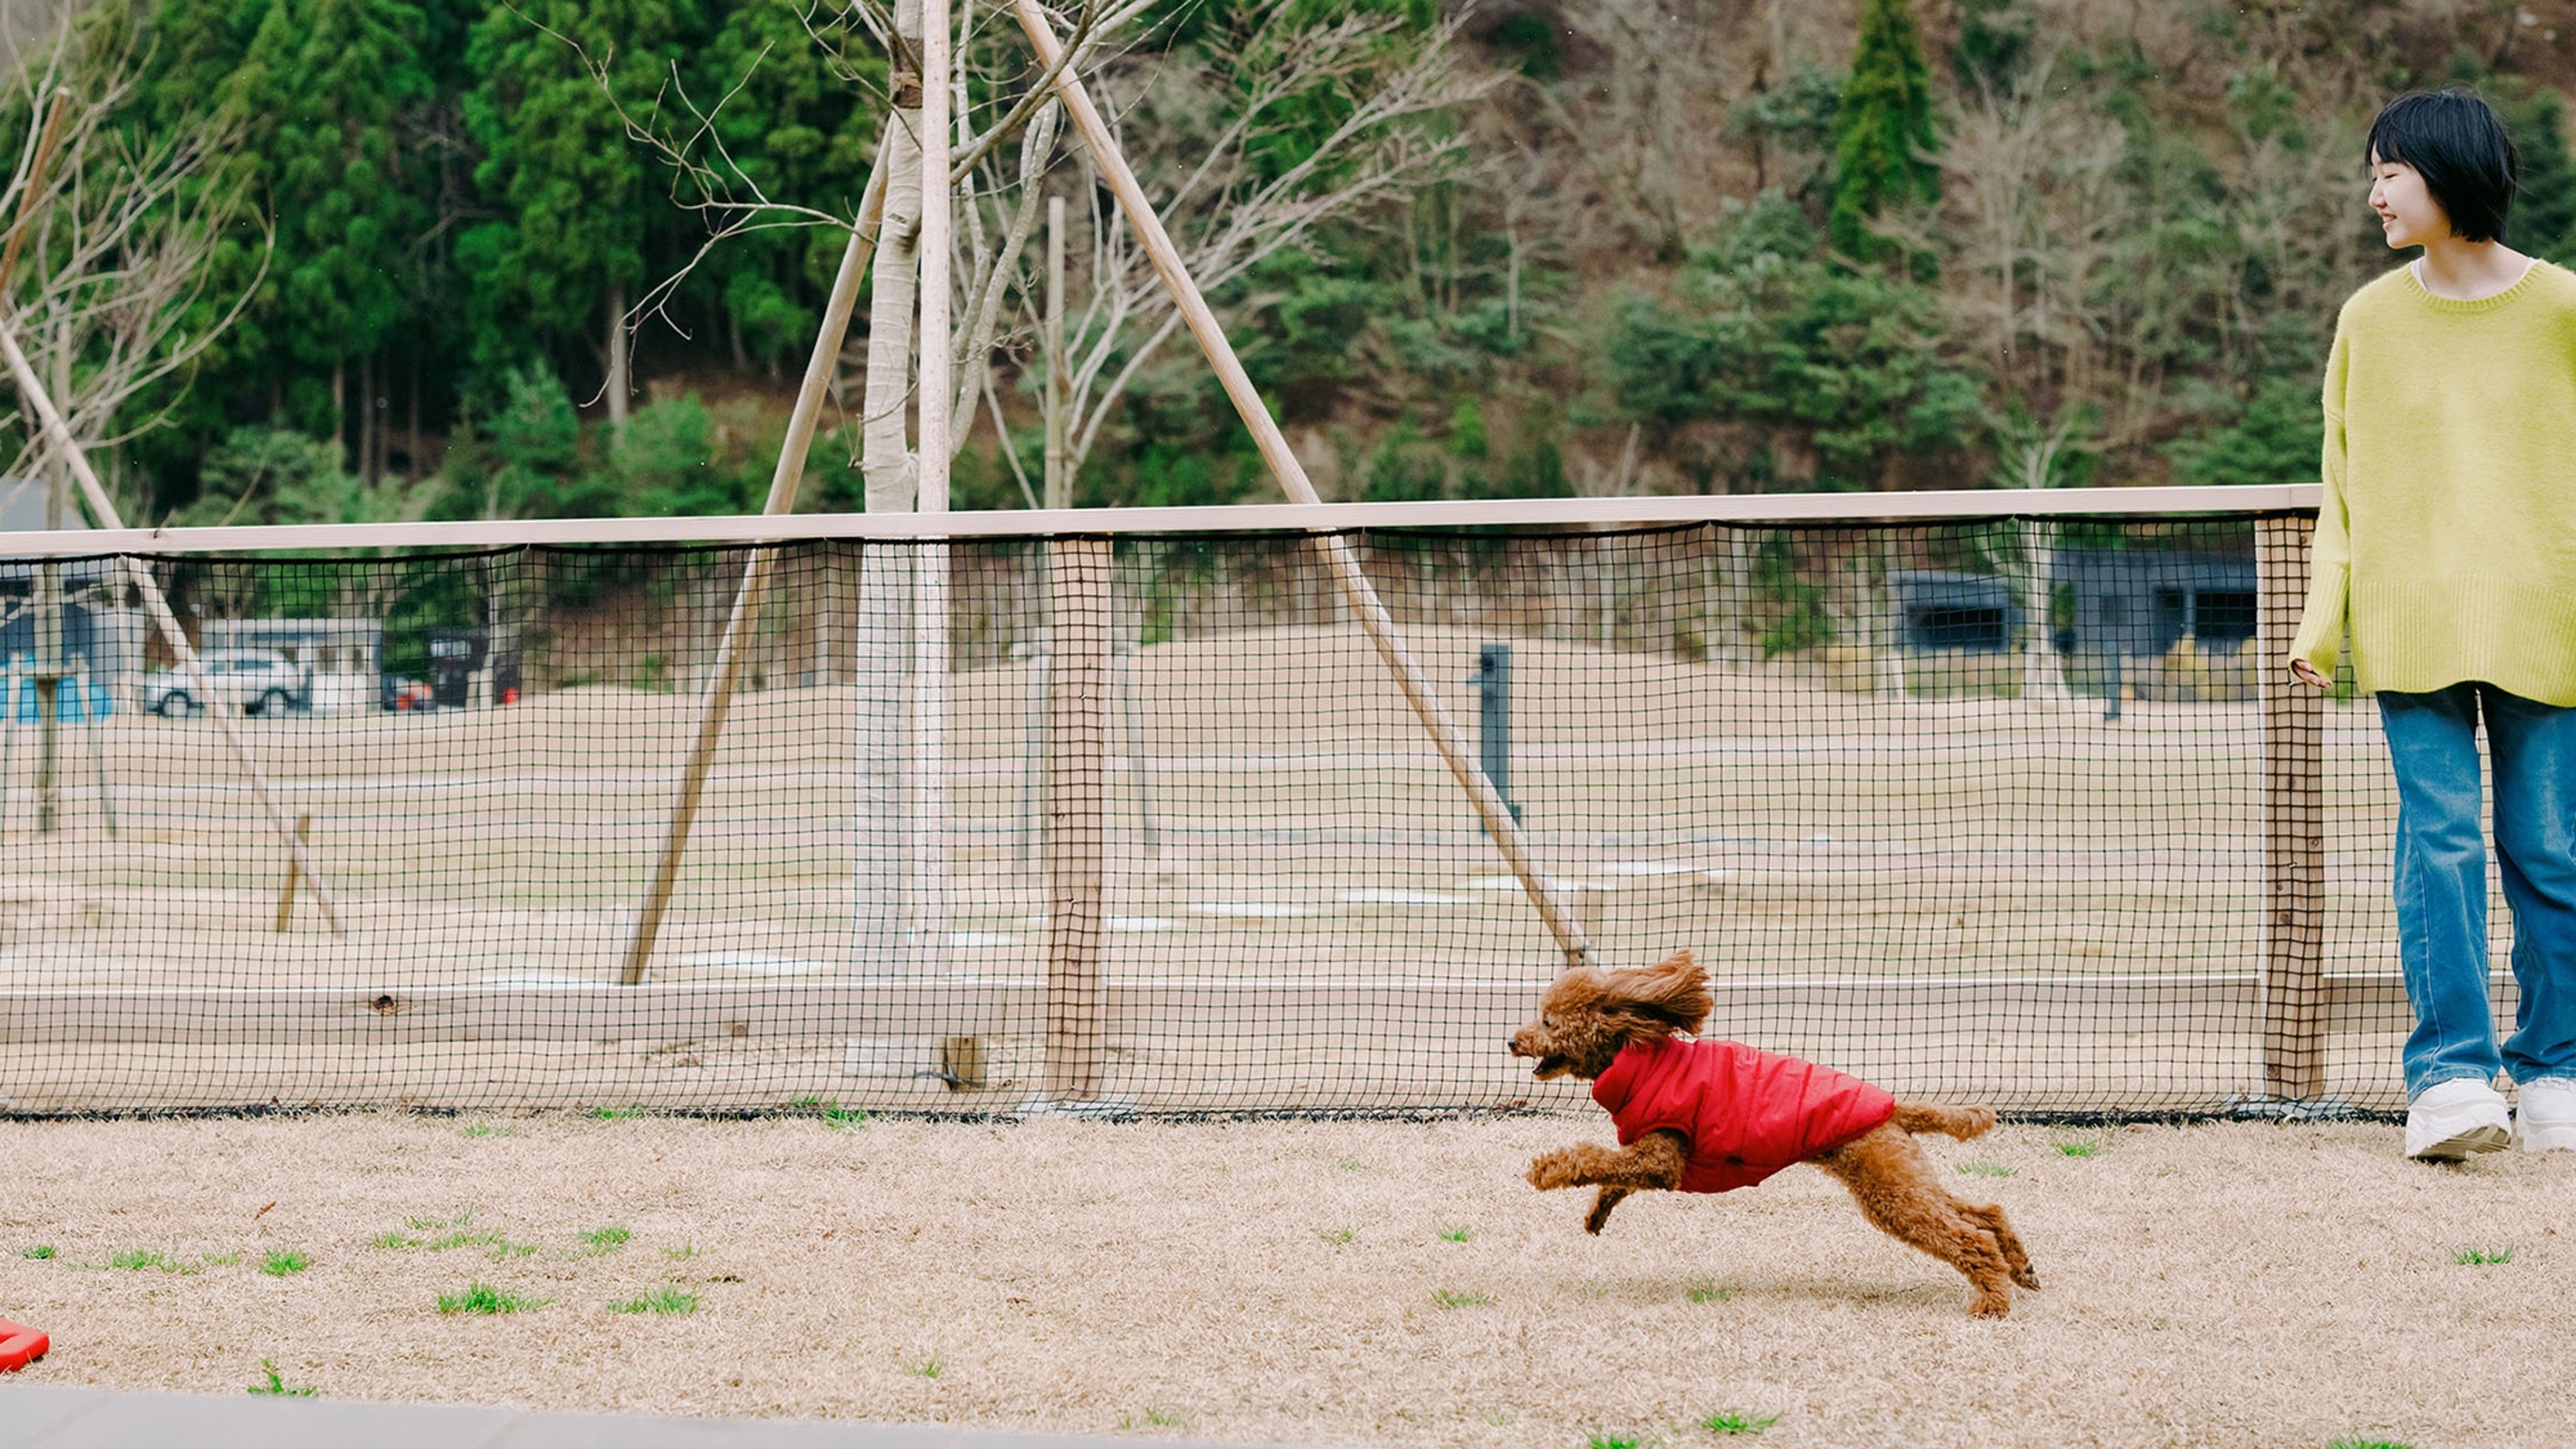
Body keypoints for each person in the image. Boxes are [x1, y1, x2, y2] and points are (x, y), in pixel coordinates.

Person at [2289, 88, 2576, 1161]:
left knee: (2547, 849)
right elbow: (2343, 484)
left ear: (2446, 174)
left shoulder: (2561, 309)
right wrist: (2324, 624)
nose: (2371, 195)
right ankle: (2452, 1079)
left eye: (2386, 173)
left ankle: (2555, 1073)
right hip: (2409, 622)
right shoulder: (2369, 317)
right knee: (2442, 844)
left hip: (2548, 617)